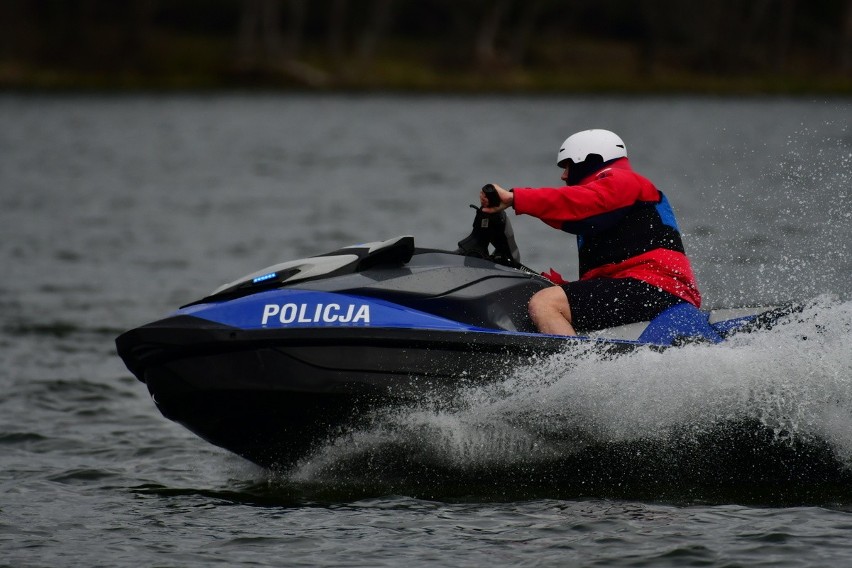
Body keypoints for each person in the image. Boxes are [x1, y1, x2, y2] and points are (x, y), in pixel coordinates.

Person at [480, 129, 701, 336]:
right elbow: (573, 212)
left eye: (567, 166)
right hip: (646, 289)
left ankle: (573, 373)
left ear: (588, 161)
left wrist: (515, 198)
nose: (563, 176)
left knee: (546, 303)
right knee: (537, 294)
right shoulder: (606, 202)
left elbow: (579, 204)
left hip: (658, 290)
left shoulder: (623, 181)